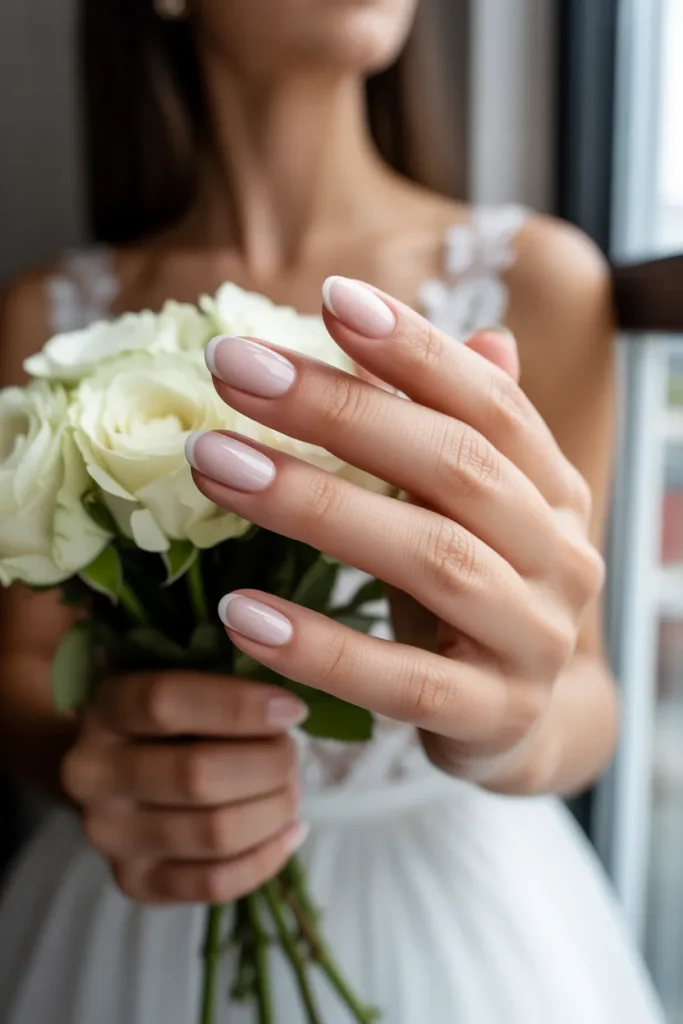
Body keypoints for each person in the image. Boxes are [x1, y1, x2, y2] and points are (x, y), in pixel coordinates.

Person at [0, 1, 666, 1022]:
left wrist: (502, 733)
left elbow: (581, 687)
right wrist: (115, 758)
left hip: (460, 898)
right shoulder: (49, 317)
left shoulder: (534, 277)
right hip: (142, 905)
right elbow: (24, 672)